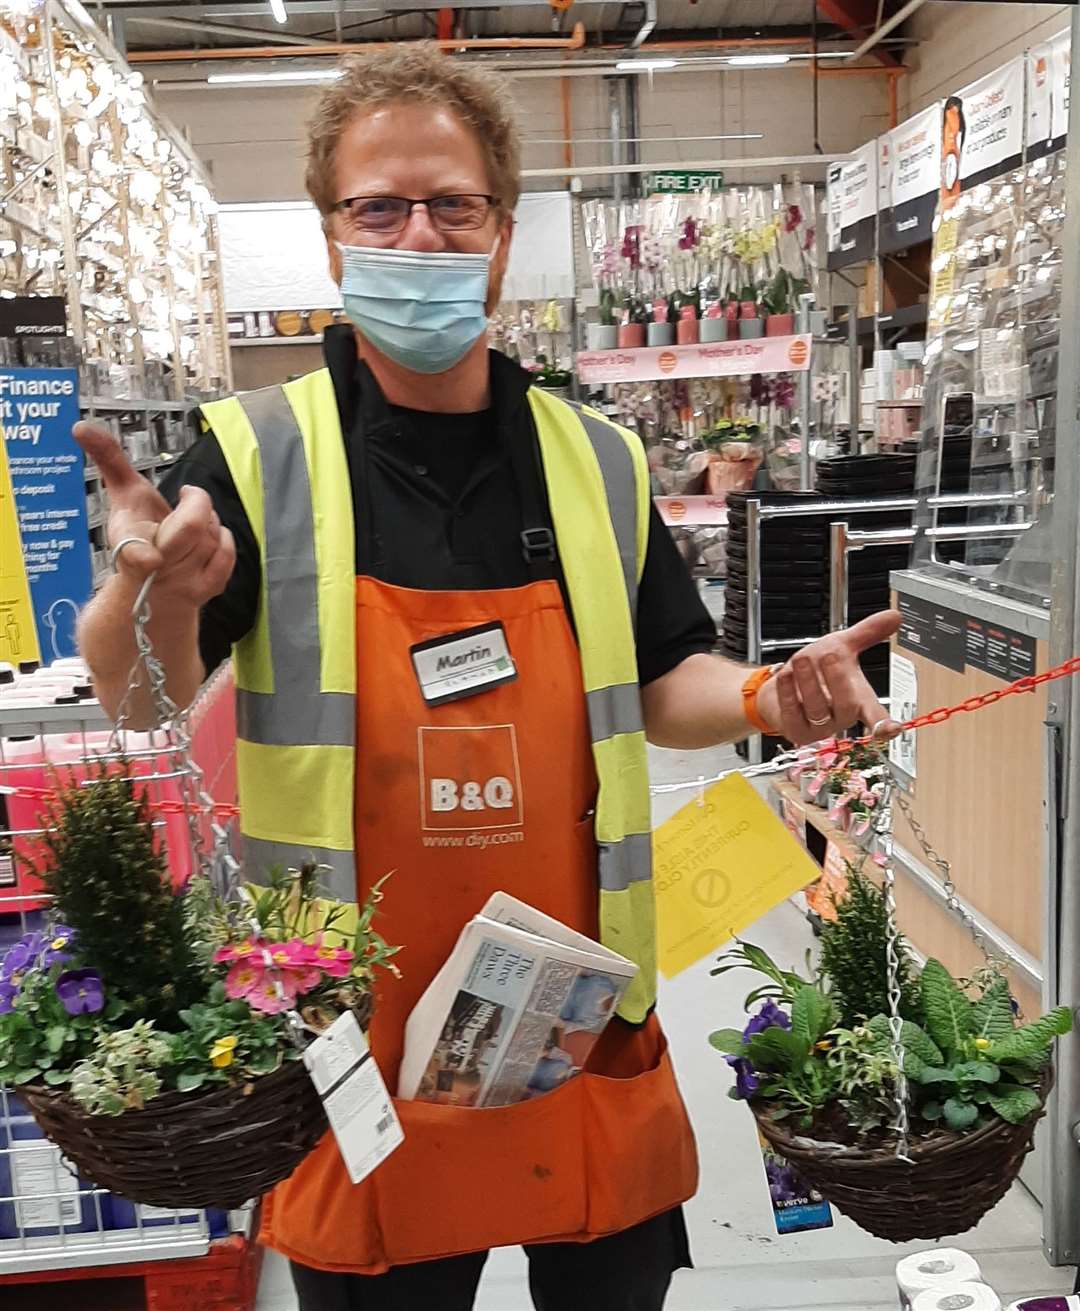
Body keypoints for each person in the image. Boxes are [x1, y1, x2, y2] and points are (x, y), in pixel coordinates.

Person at [75, 44, 900, 1311]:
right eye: (381, 207)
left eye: (452, 205)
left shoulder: (599, 458)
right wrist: (154, 597)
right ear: (333, 238)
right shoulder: (252, 455)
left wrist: (759, 696)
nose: (419, 231)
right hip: (363, 1022)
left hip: (582, 1015)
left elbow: (662, 674)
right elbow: (138, 703)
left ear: (503, 236)